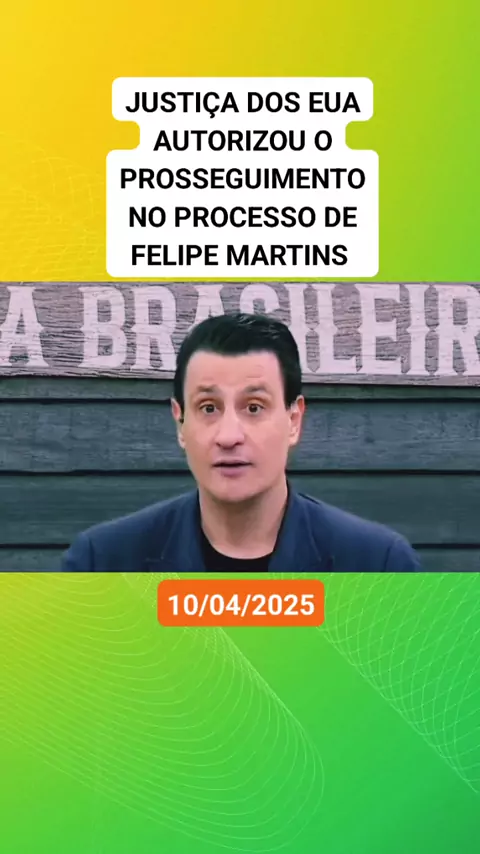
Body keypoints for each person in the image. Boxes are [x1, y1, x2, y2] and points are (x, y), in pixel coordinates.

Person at [61, 312, 421, 572]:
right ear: (180, 422)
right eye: (208, 408)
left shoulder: (379, 566)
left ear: (293, 420)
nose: (229, 436)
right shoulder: (101, 563)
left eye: (253, 407)